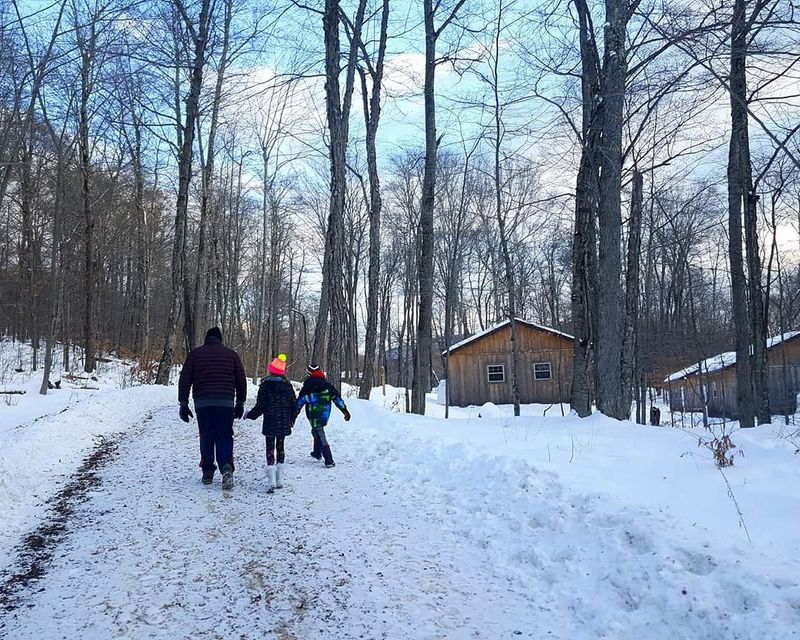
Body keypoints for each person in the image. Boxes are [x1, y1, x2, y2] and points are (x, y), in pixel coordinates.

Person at [178, 327, 247, 490]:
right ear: (220, 339)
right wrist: (240, 403)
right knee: (224, 434)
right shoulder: (232, 355)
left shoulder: (195, 354)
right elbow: (241, 380)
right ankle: (226, 467)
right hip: (225, 402)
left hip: (203, 402)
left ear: (206, 339)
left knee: (206, 434)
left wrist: (183, 404)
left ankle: (208, 471)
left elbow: (185, 379)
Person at [244, 354, 297, 493]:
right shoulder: (288, 386)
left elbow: (260, 407)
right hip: (284, 422)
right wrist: (292, 419)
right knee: (281, 447)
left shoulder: (265, 385)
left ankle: (272, 480)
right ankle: (280, 479)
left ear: (271, 370)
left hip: (270, 422)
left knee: (270, 449)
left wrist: (249, 415)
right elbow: (294, 405)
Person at [296, 363, 351, 468]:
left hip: (313, 414)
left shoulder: (307, 386)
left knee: (320, 433)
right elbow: (336, 398)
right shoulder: (327, 385)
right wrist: (344, 410)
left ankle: (329, 460)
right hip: (325, 414)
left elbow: (300, 402)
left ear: (309, 374)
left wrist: (294, 414)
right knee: (315, 431)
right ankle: (317, 453)